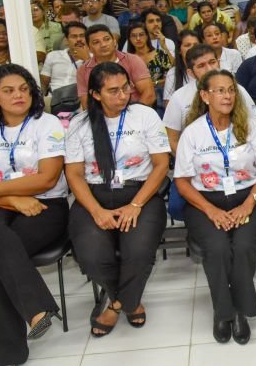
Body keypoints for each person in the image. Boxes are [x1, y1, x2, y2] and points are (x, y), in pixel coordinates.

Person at [0, 64, 69, 365]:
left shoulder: (47, 123)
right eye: (8, 90)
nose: (18, 95)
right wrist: (12, 197)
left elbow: (47, 178)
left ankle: (7, 353)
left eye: (24, 89)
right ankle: (36, 307)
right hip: (1, 207)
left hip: (45, 206)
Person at [66, 62, 170, 337]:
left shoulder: (145, 116)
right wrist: (96, 210)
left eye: (126, 88)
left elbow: (161, 165)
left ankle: (117, 304)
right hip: (94, 195)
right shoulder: (79, 124)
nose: (123, 95)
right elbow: (74, 174)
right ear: (96, 94)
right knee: (91, 255)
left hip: (140, 193)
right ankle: (128, 299)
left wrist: (136, 204)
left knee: (138, 251)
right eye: (113, 91)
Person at [174, 69, 256, 345]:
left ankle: (239, 310)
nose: (228, 95)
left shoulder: (249, 126)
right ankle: (223, 311)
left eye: (231, 89)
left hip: (249, 197)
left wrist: (249, 204)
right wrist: (210, 210)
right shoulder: (192, 133)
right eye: (220, 90)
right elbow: (182, 182)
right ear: (205, 96)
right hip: (205, 201)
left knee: (242, 247)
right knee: (217, 248)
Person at [163, 44, 256, 157]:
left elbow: (255, 125)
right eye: (201, 66)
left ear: (219, 63)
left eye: (212, 62)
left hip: (238, 155)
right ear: (190, 73)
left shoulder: (238, 90)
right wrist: (191, 162)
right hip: (198, 160)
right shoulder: (179, 97)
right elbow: (171, 139)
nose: (209, 69)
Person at [77, 25, 156, 108]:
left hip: (134, 111)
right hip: (101, 115)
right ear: (89, 48)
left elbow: (149, 95)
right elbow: (86, 105)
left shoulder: (132, 60)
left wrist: (130, 117)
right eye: (96, 42)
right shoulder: (83, 70)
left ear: (114, 41)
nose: (103, 44)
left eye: (107, 39)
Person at [40, 22, 90, 96]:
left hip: (79, 99)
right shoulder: (53, 55)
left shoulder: (94, 58)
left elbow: (97, 80)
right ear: (66, 40)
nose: (79, 39)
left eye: (82, 36)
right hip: (54, 99)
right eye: (74, 36)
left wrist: (87, 59)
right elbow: (45, 80)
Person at [163, 29, 200, 104]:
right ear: (179, 50)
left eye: (196, 45)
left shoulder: (210, 69)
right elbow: (169, 106)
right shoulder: (172, 74)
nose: (192, 48)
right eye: (187, 45)